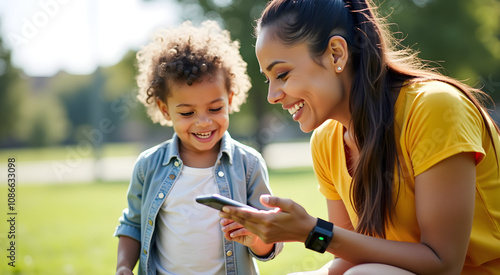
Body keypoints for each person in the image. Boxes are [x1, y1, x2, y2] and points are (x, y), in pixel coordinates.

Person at [219, 0, 500, 274]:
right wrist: (307, 237)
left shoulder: (435, 108)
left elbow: (443, 263)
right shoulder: (326, 141)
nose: (272, 96)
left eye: (282, 74)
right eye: (268, 80)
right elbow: (352, 256)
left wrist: (311, 231)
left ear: (336, 54)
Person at [114, 20, 282, 275]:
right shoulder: (148, 166)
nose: (203, 121)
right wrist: (124, 266)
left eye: (215, 109)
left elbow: (270, 239)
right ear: (164, 110)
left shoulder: (248, 165)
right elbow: (133, 224)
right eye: (187, 112)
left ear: (230, 99)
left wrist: (256, 237)